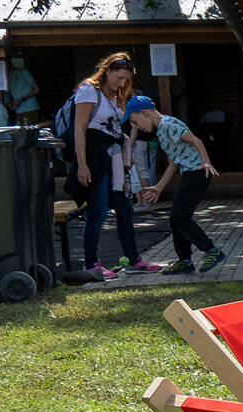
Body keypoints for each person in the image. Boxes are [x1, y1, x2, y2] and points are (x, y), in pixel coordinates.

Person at [69, 54, 158, 279]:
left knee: (125, 210)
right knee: (98, 211)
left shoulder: (116, 94)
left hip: (114, 157)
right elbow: (79, 129)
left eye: (126, 79)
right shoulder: (89, 90)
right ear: (107, 71)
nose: (122, 83)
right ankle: (91, 263)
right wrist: (82, 165)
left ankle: (133, 260)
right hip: (95, 157)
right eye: (119, 78)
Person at [125, 96, 226, 276]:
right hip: (189, 174)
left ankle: (211, 250)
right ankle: (184, 260)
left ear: (144, 113)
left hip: (198, 173)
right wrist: (159, 187)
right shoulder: (161, 131)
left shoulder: (168, 124)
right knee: (175, 218)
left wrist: (206, 162)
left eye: (135, 121)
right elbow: (173, 164)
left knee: (180, 216)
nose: (137, 127)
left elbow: (197, 141)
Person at [8, 57, 41, 124]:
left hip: (30, 108)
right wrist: (10, 104)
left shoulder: (23, 72)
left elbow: (36, 89)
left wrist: (22, 99)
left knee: (30, 129)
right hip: (17, 111)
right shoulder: (7, 76)